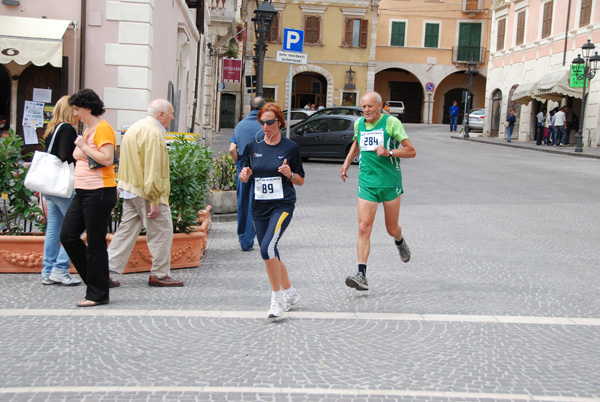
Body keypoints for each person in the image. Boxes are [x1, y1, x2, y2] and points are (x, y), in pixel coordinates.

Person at [340, 92, 416, 291]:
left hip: (390, 184)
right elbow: (357, 143)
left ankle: (399, 240)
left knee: (391, 228)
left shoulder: (391, 123)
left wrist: (389, 152)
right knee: (364, 226)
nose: (366, 110)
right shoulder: (359, 124)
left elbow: (411, 150)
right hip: (367, 183)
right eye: (363, 106)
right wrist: (347, 162)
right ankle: (361, 274)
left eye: (370, 106)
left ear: (380, 106)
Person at [239, 103, 305, 321]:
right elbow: (244, 172)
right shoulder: (252, 146)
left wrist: (289, 173)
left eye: (269, 122)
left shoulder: (290, 147)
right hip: (259, 206)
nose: (265, 126)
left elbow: (301, 180)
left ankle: (276, 299)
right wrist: (245, 175)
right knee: (271, 252)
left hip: (282, 205)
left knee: (267, 248)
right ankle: (291, 293)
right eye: (262, 122)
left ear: (279, 123)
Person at [107, 100, 183, 288]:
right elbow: (153, 169)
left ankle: (105, 270)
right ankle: (160, 274)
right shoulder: (154, 133)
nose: (173, 117)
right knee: (162, 231)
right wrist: (155, 199)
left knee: (125, 231)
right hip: (146, 191)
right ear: (161, 115)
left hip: (130, 188)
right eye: (171, 113)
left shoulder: (135, 127)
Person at [60, 89, 118, 307]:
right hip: (83, 191)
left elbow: (107, 158)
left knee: (95, 243)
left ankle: (98, 293)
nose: (75, 114)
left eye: (77, 109)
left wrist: (83, 147)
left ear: (87, 107)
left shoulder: (102, 129)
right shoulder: (88, 129)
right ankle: (97, 281)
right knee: (68, 236)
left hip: (99, 191)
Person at [40, 95, 81, 286]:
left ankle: (47, 271)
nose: (77, 113)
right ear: (68, 110)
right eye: (75, 109)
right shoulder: (66, 129)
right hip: (62, 186)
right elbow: (65, 155)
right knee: (76, 228)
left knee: (53, 230)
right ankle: (60, 269)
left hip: (49, 185)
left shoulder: (52, 129)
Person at [229, 96, 265, 251]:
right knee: (255, 203)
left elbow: (232, 149)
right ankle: (249, 240)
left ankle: (242, 237)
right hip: (260, 168)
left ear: (250, 108)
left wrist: (238, 163)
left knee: (242, 202)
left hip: (242, 167)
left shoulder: (240, 125)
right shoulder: (264, 126)